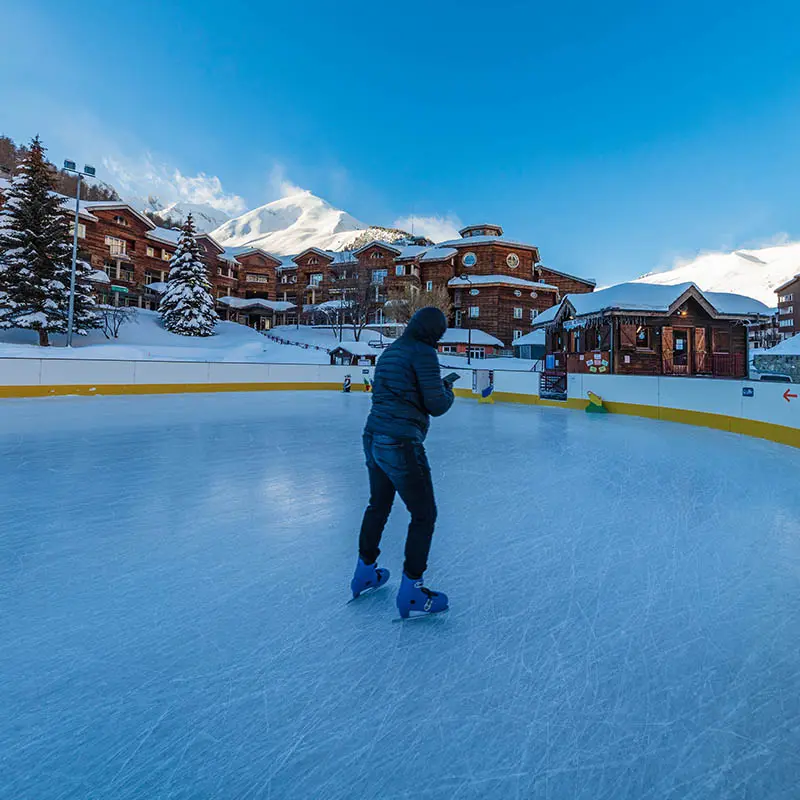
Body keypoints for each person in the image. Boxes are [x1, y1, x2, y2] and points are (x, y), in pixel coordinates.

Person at [350, 306, 455, 618]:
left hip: (373, 435)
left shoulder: (392, 350)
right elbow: (435, 405)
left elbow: (399, 394)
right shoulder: (423, 352)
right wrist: (448, 390)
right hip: (400, 442)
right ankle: (411, 590)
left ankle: (364, 571)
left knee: (378, 505)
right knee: (424, 514)